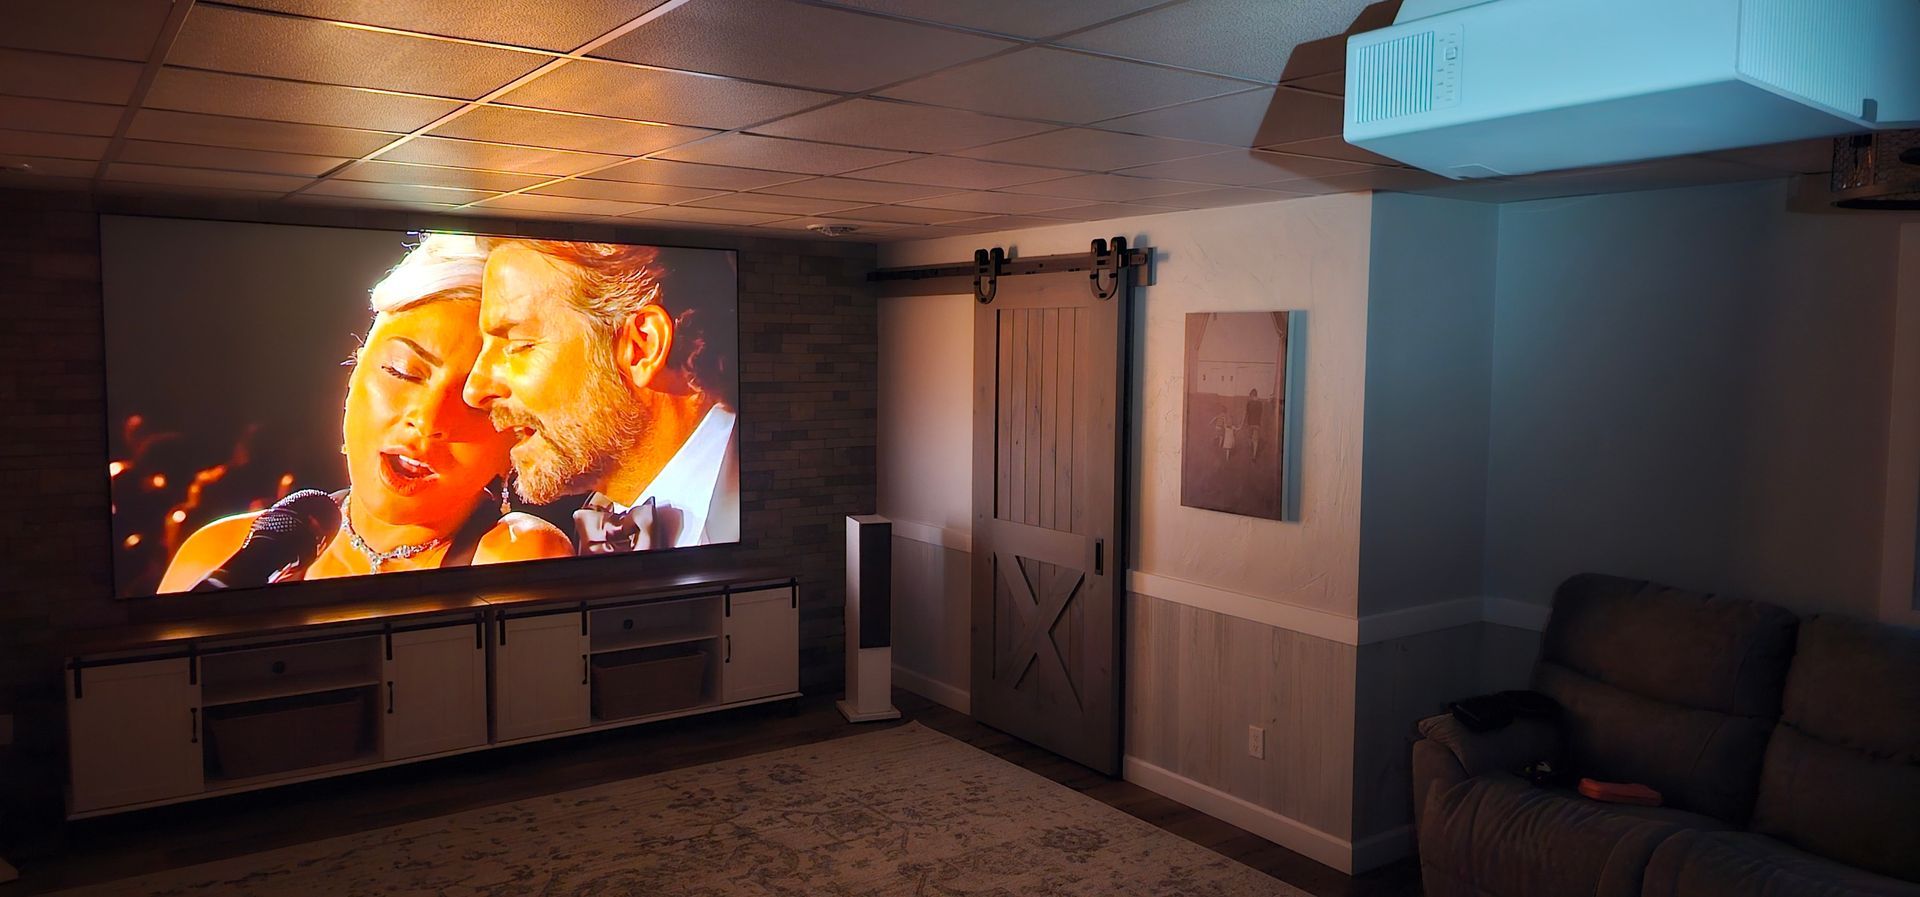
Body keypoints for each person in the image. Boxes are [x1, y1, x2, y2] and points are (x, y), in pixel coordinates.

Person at [158, 235, 572, 591]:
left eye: (474, 399)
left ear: (516, 431)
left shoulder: (517, 557)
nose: (427, 422)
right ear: (353, 375)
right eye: (402, 372)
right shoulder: (220, 554)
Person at [463, 239, 739, 553]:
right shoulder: (592, 528)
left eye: (519, 345)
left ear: (642, 347)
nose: (474, 389)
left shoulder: (774, 502)